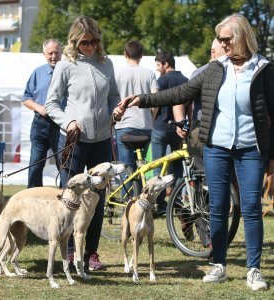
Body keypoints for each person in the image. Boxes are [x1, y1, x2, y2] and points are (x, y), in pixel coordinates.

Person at [120, 14, 274, 290]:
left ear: (242, 37)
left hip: (252, 149)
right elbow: (180, 93)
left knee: (250, 208)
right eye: (221, 39)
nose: (222, 44)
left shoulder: (264, 69)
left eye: (227, 39)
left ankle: (254, 270)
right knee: (217, 207)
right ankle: (218, 265)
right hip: (215, 148)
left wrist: (272, 156)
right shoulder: (215, 69)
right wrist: (141, 100)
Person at [45, 16, 124, 271]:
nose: (89, 46)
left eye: (94, 41)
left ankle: (91, 253)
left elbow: (114, 97)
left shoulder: (107, 63)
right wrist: (68, 122)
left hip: (102, 140)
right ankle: (69, 252)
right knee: (71, 197)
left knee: (97, 199)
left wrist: (115, 111)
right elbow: (51, 104)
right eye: (84, 42)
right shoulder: (65, 65)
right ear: (74, 41)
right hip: (74, 141)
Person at [151, 52, 188, 216]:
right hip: (178, 129)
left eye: (158, 65)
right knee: (178, 167)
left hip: (160, 127)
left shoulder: (161, 80)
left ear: (166, 64)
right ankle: (177, 201)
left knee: (158, 167)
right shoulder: (185, 80)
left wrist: (152, 120)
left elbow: (156, 103)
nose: (157, 69)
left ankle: (159, 205)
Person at [22, 39, 63, 188]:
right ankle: (32, 198)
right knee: (35, 165)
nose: (53, 56)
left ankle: (66, 198)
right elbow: (26, 98)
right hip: (40, 124)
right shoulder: (37, 73)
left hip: (61, 126)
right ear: (44, 54)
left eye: (56, 53)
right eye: (50, 53)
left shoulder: (69, 72)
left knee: (63, 165)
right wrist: (40, 108)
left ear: (62, 53)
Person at [114, 40, 159, 171]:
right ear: (142, 55)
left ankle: (129, 192)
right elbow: (155, 100)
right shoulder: (149, 73)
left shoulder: (117, 73)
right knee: (141, 169)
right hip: (145, 126)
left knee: (126, 170)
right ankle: (140, 191)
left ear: (125, 54)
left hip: (124, 126)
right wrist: (151, 119)